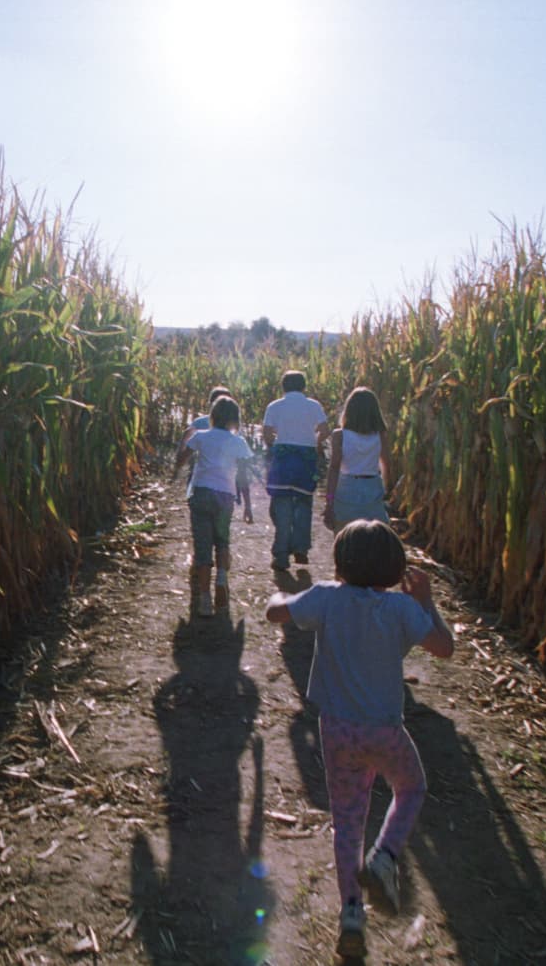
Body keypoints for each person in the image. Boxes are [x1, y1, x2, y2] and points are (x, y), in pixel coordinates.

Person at [264, 520, 454, 958]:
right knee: (411, 788)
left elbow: (278, 614)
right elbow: (444, 648)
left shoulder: (327, 597)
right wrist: (427, 602)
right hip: (385, 728)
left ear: (341, 563)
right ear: (393, 567)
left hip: (337, 730)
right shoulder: (402, 610)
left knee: (348, 820)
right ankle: (385, 856)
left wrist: (278, 598)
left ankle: (351, 912)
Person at [177, 395, 253, 617]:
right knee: (222, 540)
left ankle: (204, 599)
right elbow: (243, 478)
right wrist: (248, 506)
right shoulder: (239, 442)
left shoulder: (201, 436)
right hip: (225, 496)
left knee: (202, 547)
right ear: (234, 419)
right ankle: (221, 579)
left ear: (212, 415)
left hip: (201, 493)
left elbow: (181, 460)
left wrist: (186, 443)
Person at [261, 370, 329, 571]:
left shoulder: (275, 406)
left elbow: (266, 434)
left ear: (283, 387)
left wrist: (275, 447)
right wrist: (315, 444)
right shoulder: (313, 405)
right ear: (303, 386)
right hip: (306, 459)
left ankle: (281, 555)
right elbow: (325, 431)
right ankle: (301, 549)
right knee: (303, 503)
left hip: (283, 457)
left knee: (281, 505)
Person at [322, 386, 393, 532]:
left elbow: (334, 468)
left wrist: (329, 501)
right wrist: (385, 492)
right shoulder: (380, 436)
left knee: (344, 534)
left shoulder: (340, 435)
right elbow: (387, 466)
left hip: (346, 488)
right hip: (372, 486)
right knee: (373, 535)